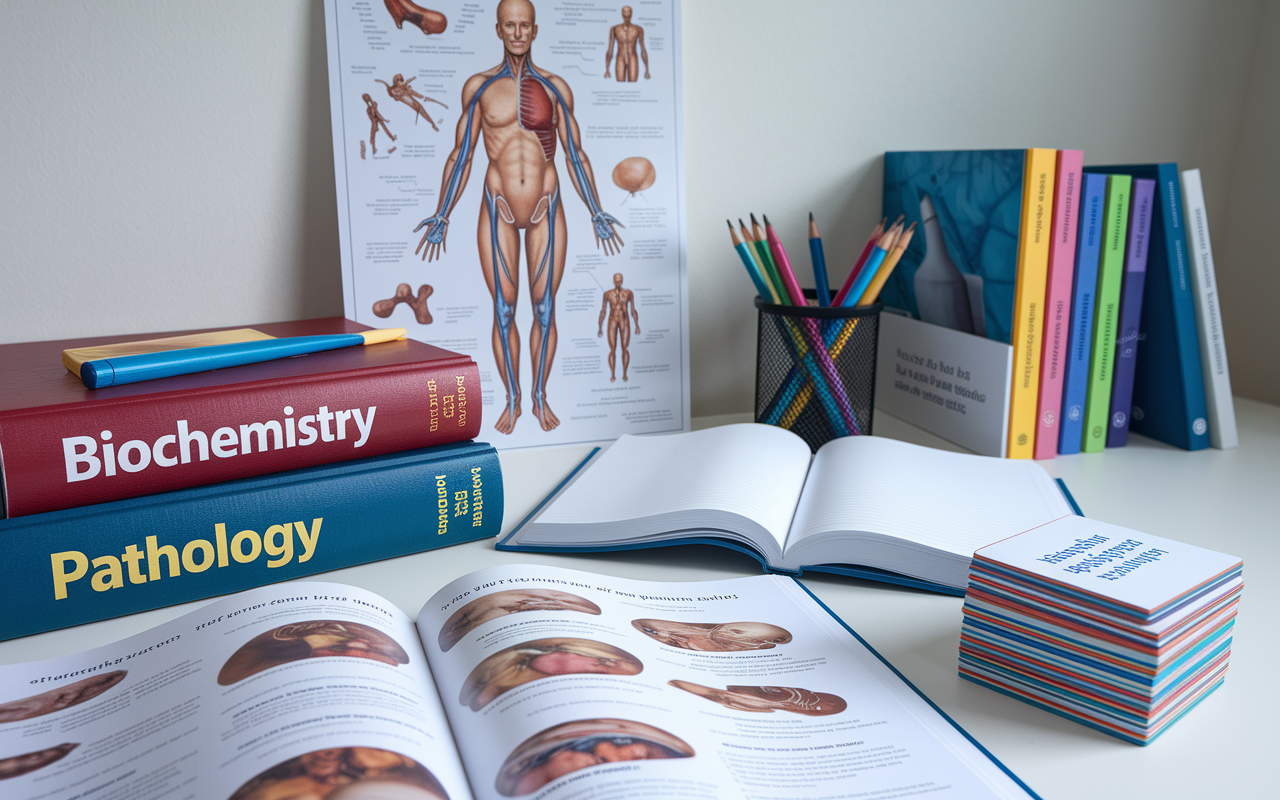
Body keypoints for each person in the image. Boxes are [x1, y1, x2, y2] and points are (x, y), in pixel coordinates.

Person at [414, 0, 624, 434]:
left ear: (534, 30)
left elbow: (575, 154)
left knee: (545, 310)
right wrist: (442, 213)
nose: (516, 33)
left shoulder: (555, 88)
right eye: (509, 25)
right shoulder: (480, 87)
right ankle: (511, 399)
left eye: (523, 25)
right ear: (497, 30)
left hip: (548, 206)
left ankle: (539, 397)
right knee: (505, 310)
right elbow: (462, 154)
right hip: (499, 208)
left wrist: (596, 210)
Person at [597, 272, 639, 381]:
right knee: (612, 349)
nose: (618, 281)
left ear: (622, 280)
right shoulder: (607, 294)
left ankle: (625, 373)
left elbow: (633, 310)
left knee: (625, 348)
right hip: (612, 321)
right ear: (613, 280)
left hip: (624, 321)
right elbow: (603, 311)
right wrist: (600, 327)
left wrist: (637, 325)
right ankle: (613, 374)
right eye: (616, 279)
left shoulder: (628, 293)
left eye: (620, 279)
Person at [603, 7, 649, 82]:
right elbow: (610, 50)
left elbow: (643, 49)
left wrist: (647, 69)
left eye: (628, 12)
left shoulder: (638, 29)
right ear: (622, 13)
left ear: (631, 13)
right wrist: (607, 69)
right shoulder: (615, 29)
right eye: (624, 12)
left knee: (633, 84)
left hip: (633, 58)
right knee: (620, 84)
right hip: (620, 58)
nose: (627, 14)